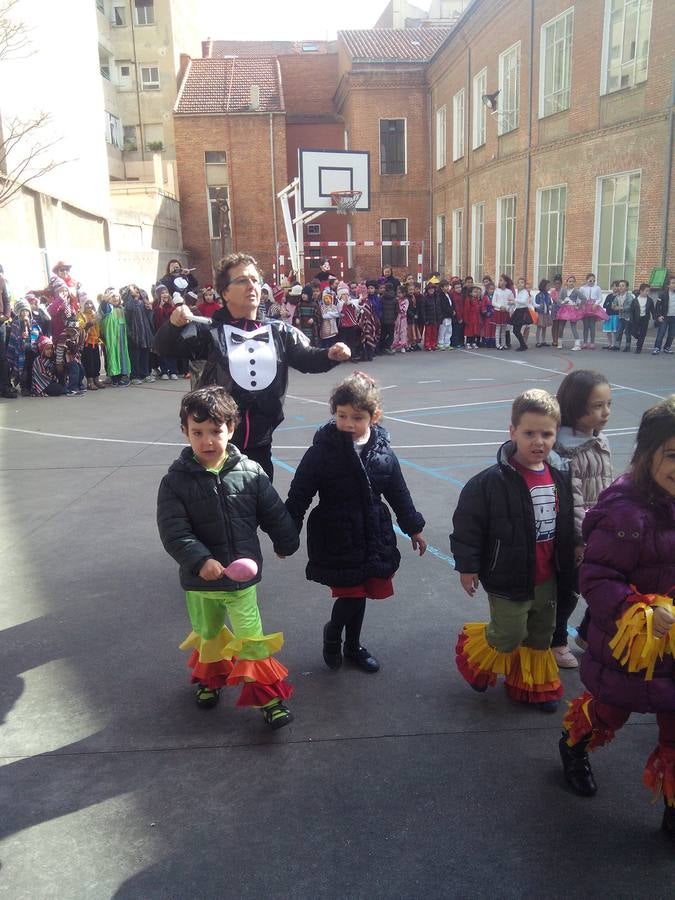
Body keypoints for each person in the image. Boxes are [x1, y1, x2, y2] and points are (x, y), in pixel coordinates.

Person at [558, 396, 675, 840]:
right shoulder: (626, 514)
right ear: (646, 454)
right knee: (610, 711)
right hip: (631, 646)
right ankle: (574, 745)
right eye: (673, 455)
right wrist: (636, 611)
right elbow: (598, 576)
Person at [157, 386, 299, 727]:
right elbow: (174, 530)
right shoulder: (175, 482)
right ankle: (211, 679)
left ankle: (269, 699)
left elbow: (274, 512)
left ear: (231, 429)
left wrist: (285, 541)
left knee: (251, 639)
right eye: (198, 433)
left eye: (215, 431)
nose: (208, 441)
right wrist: (199, 560)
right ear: (185, 432)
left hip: (240, 582)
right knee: (208, 632)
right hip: (200, 583)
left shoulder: (250, 472)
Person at [155, 252, 350, 481]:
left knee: (261, 497)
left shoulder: (279, 331)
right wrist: (173, 325)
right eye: (241, 280)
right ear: (224, 292)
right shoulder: (210, 331)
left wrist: (330, 355)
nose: (251, 286)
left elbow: (306, 358)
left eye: (255, 280)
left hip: (262, 444)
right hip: (217, 445)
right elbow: (163, 348)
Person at [285, 372, 426, 673]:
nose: (348, 423)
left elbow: (398, 492)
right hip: (338, 533)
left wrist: (414, 527)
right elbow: (299, 494)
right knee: (351, 593)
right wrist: (287, 534)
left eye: (357, 417)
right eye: (342, 415)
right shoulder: (322, 452)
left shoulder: (383, 453)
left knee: (362, 591)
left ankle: (353, 646)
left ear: (374, 417)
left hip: (372, 531)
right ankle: (333, 634)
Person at [452, 389, 575, 712]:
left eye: (546, 434)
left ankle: (530, 685)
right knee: (509, 633)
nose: (538, 442)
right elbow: (468, 526)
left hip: (548, 576)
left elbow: (565, 523)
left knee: (540, 634)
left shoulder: (559, 477)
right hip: (508, 575)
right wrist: (468, 566)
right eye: (529, 433)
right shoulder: (490, 482)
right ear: (513, 432)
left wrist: (576, 549)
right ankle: (476, 659)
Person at [551, 371, 613, 668]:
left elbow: (606, 484)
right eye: (597, 406)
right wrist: (580, 538)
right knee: (569, 590)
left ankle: (587, 633)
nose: (606, 412)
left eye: (609, 404)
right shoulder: (565, 449)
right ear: (575, 407)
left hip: (601, 529)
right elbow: (574, 499)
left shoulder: (599, 440)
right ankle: (557, 640)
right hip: (576, 535)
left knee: (607, 584)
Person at [6, 298, 41, 395]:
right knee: (23, 369)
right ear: (19, 312)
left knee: (31, 368)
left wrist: (29, 327)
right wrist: (21, 337)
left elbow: (38, 334)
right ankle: (24, 387)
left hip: (32, 350)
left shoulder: (33, 322)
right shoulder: (16, 323)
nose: (25, 312)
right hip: (21, 351)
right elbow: (14, 339)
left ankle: (32, 386)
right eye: (22, 311)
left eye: (27, 310)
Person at [122, 284, 155, 384]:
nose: (136, 291)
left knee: (145, 354)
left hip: (144, 333)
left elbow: (149, 317)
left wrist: (149, 309)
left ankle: (145, 374)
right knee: (135, 356)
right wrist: (135, 299)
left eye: (137, 290)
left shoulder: (143, 302)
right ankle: (134, 376)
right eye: (133, 290)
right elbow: (129, 310)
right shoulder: (127, 304)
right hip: (134, 334)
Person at [98, 290, 131, 386]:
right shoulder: (108, 308)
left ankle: (124, 376)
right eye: (112, 296)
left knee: (123, 356)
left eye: (117, 296)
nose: (115, 298)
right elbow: (103, 306)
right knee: (113, 355)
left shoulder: (122, 308)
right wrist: (105, 300)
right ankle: (115, 377)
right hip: (112, 338)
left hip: (122, 338)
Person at [77, 298, 105, 390]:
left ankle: (97, 379)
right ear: (83, 305)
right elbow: (81, 326)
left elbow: (99, 329)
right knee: (89, 362)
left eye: (91, 303)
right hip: (86, 343)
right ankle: (90, 381)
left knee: (97, 362)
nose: (89, 305)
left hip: (95, 342)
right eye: (87, 303)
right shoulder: (80, 315)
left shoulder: (95, 314)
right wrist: (90, 323)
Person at [0, 265, 18, 399]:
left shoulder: (1, 279)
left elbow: (6, 299)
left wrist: (6, 315)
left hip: (0, 322)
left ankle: (5, 386)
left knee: (2, 357)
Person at [578, 273, 607, 349]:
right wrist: (581, 304)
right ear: (587, 280)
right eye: (590, 280)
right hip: (585, 308)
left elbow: (600, 298)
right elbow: (579, 297)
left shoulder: (597, 288)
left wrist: (596, 304)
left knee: (592, 326)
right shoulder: (582, 288)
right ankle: (585, 342)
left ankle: (592, 342)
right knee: (585, 326)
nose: (592, 282)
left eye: (593, 281)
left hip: (593, 308)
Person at [556, 275, 583, 350]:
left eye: (573, 281)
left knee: (573, 326)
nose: (571, 283)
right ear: (567, 282)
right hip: (564, 309)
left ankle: (577, 344)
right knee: (561, 326)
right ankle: (560, 342)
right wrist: (563, 302)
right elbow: (558, 299)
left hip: (572, 310)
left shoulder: (576, 291)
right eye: (570, 281)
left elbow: (584, 298)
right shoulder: (563, 290)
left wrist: (579, 306)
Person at [629, 282, 656, 354]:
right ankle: (639, 339)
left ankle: (639, 348)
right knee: (633, 332)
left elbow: (653, 310)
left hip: (645, 319)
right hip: (636, 319)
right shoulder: (635, 300)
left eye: (648, 291)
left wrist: (655, 317)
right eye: (646, 291)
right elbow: (631, 311)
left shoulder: (650, 300)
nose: (648, 292)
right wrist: (631, 319)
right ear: (641, 291)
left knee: (643, 333)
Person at [653, 274, 675, 355]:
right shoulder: (663, 294)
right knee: (661, 333)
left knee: (672, 334)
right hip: (664, 317)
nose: (674, 284)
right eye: (673, 283)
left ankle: (667, 348)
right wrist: (659, 316)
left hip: (673, 317)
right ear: (668, 285)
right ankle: (657, 348)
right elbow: (657, 306)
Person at [492, 274, 515, 351]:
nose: (500, 282)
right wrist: (500, 306)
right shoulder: (496, 291)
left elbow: (512, 302)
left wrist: (507, 308)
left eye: (501, 280)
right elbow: (493, 302)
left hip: (505, 312)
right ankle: (497, 344)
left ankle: (503, 344)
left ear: (505, 282)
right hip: (498, 311)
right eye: (499, 280)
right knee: (498, 328)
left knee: (504, 329)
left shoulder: (509, 292)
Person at [511, 277, 533, 352]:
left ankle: (523, 345)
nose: (520, 284)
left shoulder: (525, 292)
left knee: (516, 330)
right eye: (519, 282)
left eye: (522, 283)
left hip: (523, 311)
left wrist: (514, 300)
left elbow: (523, 301)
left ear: (524, 285)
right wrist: (512, 303)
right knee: (515, 330)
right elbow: (517, 303)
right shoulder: (519, 292)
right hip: (518, 311)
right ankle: (523, 345)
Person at [613, 279, 635, 352]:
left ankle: (627, 346)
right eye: (619, 286)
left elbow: (630, 306)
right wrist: (614, 307)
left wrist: (620, 308)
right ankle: (617, 345)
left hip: (628, 317)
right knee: (619, 331)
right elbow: (613, 305)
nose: (621, 287)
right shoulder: (617, 296)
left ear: (627, 287)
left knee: (627, 332)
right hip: (621, 316)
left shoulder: (629, 296)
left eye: (623, 286)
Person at [359, 284, 379, 361]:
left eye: (364, 292)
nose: (363, 294)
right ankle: (364, 355)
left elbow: (372, 312)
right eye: (361, 292)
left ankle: (369, 355)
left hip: (370, 322)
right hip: (361, 323)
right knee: (363, 338)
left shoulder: (368, 301)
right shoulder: (358, 301)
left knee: (369, 337)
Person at [601, 280, 621, 350]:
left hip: (615, 315)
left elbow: (617, 306)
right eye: (613, 286)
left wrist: (610, 305)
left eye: (617, 286)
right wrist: (610, 305)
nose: (615, 288)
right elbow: (604, 305)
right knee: (608, 331)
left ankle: (614, 344)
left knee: (615, 331)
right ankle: (609, 344)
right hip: (608, 315)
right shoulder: (609, 296)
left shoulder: (619, 296)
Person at [534, 279, 553, 347]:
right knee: (539, 327)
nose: (549, 287)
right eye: (548, 286)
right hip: (540, 313)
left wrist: (550, 306)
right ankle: (538, 341)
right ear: (543, 286)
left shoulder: (548, 295)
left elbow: (550, 303)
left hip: (546, 313)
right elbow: (535, 305)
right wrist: (538, 309)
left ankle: (543, 341)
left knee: (544, 327)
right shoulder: (538, 295)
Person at [463, 285, 482, 349]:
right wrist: (466, 319)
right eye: (474, 292)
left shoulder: (476, 300)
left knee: (475, 331)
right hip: (470, 318)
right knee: (469, 332)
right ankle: (468, 343)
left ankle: (473, 342)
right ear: (470, 293)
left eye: (476, 292)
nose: (476, 293)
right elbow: (466, 310)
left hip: (476, 318)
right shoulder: (468, 300)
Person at [437, 280, 454, 350]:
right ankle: (440, 343)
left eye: (448, 286)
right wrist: (449, 312)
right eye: (446, 286)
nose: (447, 288)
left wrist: (452, 311)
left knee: (449, 330)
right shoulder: (440, 296)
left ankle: (447, 343)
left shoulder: (449, 294)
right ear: (441, 287)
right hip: (444, 316)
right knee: (442, 330)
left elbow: (451, 304)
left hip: (449, 316)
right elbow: (443, 306)